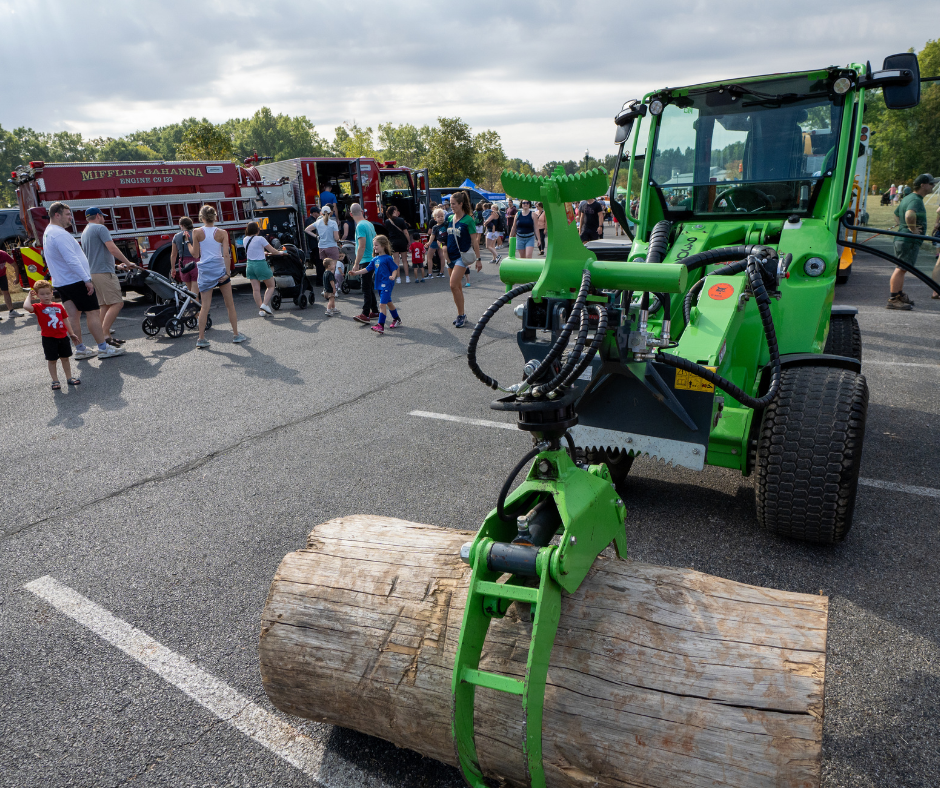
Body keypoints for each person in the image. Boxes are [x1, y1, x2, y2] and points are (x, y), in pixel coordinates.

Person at [41, 202, 124, 360]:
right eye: (67, 214)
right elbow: (71, 259)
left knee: (73, 316)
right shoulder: (59, 234)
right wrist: (86, 279)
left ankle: (80, 349)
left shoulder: (49, 232)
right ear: (56, 215)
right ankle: (103, 348)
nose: (70, 218)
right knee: (93, 312)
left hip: (62, 281)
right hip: (75, 280)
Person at [190, 204, 246, 347]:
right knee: (230, 304)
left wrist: (188, 244)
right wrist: (227, 273)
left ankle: (201, 338)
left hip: (206, 271)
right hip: (219, 269)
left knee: (205, 306)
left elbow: (196, 255)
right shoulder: (222, 232)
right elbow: (226, 254)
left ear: (201, 218)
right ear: (215, 217)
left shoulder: (196, 232)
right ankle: (236, 335)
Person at [81, 206, 136, 347]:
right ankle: (105, 335)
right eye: (103, 216)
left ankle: (105, 336)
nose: (104, 219)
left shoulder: (85, 231)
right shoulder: (100, 228)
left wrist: (117, 266)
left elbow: (96, 255)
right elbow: (112, 248)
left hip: (94, 272)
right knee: (118, 303)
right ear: (98, 216)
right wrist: (127, 262)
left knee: (104, 305)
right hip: (104, 273)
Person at [887, 174, 936, 310]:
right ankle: (893, 299)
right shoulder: (916, 200)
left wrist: (902, 226)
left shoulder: (908, 197)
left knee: (902, 268)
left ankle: (899, 294)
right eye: (931, 184)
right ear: (923, 185)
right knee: (901, 269)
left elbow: (897, 214)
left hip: (904, 239)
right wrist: (912, 230)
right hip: (908, 240)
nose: (933, 186)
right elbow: (909, 214)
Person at [23, 279, 82, 389]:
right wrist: (29, 296)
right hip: (49, 338)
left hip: (63, 337)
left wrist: (71, 333)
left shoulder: (59, 307)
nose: (46, 296)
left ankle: (69, 377)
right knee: (52, 360)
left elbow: (65, 320)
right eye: (42, 294)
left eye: (48, 293)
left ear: (52, 293)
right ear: (37, 295)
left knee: (65, 358)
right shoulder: (38, 307)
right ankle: (55, 381)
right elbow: (26, 307)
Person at [445, 190, 483, 328]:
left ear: (461, 204)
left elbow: (475, 242)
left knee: (453, 285)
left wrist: (478, 259)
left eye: (454, 204)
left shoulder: (468, 220)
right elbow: (445, 236)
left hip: (462, 256)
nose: (451, 206)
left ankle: (461, 315)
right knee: (457, 287)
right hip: (450, 256)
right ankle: (461, 314)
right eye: (450, 204)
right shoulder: (449, 218)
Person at [348, 235, 400, 334]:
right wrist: (356, 272)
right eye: (374, 245)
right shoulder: (375, 259)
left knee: (382, 304)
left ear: (383, 246)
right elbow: (367, 269)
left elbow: (394, 269)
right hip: (379, 284)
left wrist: (393, 276)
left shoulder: (388, 258)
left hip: (387, 284)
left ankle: (380, 325)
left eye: (376, 245)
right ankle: (397, 319)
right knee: (388, 302)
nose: (374, 247)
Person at [243, 220, 286, 317]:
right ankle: (264, 304)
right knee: (271, 285)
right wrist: (280, 252)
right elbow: (273, 250)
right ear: (257, 230)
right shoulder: (260, 239)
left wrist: (263, 253)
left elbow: (253, 251)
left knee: (256, 289)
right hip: (260, 264)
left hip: (250, 265)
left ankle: (261, 310)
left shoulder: (245, 239)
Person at [350, 203, 378, 324]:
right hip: (371, 257)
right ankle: (375, 310)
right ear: (362, 211)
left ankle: (365, 313)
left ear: (351, 214)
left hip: (365, 259)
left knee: (365, 287)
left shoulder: (360, 226)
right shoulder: (369, 223)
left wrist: (356, 264)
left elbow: (361, 246)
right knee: (369, 286)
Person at [170, 217, 200, 295]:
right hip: (195, 262)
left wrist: (173, 268)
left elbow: (173, 254)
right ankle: (196, 306)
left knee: (190, 292)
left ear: (182, 225)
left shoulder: (176, 236)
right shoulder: (196, 234)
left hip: (183, 263)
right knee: (195, 292)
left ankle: (192, 305)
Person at [384, 206, 411, 282]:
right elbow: (405, 232)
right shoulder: (401, 220)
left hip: (393, 242)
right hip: (402, 241)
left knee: (396, 261)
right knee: (405, 260)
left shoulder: (387, 221)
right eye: (396, 210)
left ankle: (398, 278)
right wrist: (408, 241)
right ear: (394, 211)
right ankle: (407, 278)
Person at [0, 249, 23, 318]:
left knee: (6, 292)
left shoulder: (3, 254)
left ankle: (11, 311)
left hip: (2, 275)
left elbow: (15, 265)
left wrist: (17, 278)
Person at [426, 208, 448, 278]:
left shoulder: (444, 224)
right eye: (438, 217)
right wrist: (429, 243)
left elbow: (432, 236)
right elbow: (432, 236)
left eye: (442, 216)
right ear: (435, 218)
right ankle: (441, 272)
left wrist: (429, 243)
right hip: (440, 242)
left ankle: (430, 274)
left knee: (430, 257)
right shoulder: (443, 225)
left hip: (438, 242)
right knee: (441, 257)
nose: (441, 218)